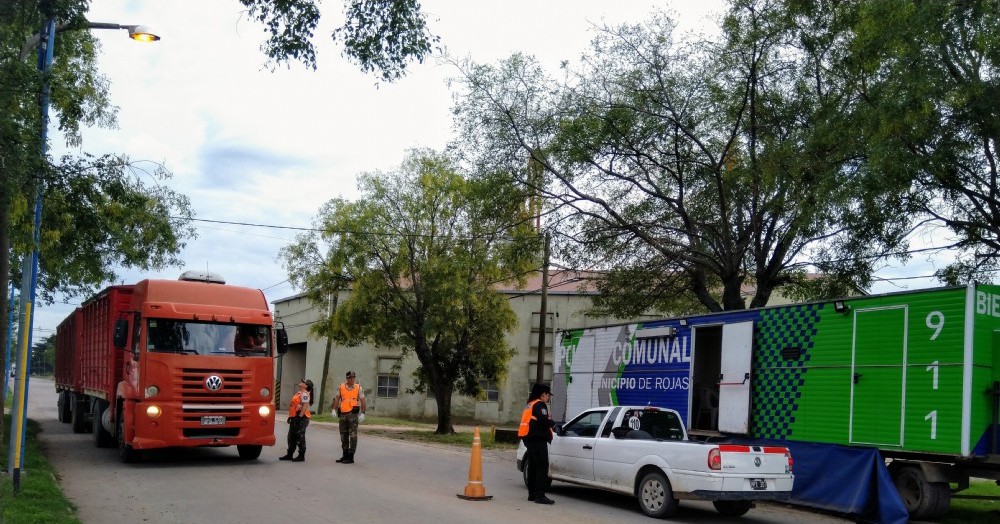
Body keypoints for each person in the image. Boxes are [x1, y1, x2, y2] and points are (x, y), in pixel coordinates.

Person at [519, 383, 555, 504]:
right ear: (543, 394)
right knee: (542, 467)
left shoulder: (530, 404)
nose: (548, 397)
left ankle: (532, 494)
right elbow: (544, 421)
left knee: (533, 467)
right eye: (548, 395)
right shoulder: (540, 405)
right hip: (538, 440)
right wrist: (553, 423)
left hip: (529, 440)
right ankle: (540, 495)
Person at [331, 370, 366, 464]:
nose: (352, 379)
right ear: (346, 378)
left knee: (353, 436)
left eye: (353, 377)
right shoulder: (341, 387)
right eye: (350, 377)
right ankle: (345, 454)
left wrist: (363, 412)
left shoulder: (358, 387)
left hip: (353, 415)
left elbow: (362, 400)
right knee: (343, 435)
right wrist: (333, 409)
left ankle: (351, 457)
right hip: (343, 414)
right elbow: (337, 398)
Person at [279, 378, 313, 462]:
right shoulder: (299, 393)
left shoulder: (304, 394)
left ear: (306, 386)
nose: (301, 382)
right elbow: (294, 406)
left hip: (301, 418)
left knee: (300, 436)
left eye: (303, 382)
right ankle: (289, 454)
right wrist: (291, 416)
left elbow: (305, 406)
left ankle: (301, 456)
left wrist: (300, 416)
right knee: (291, 436)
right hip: (295, 417)